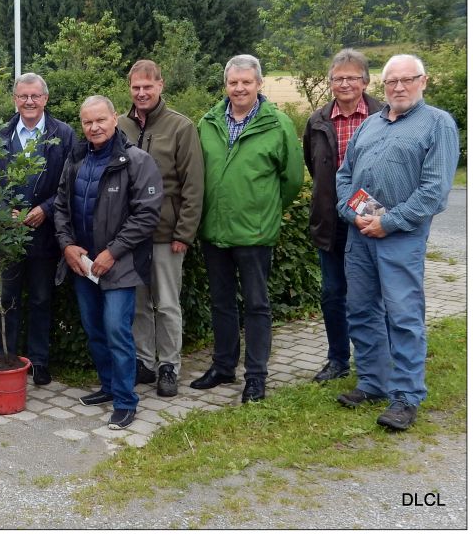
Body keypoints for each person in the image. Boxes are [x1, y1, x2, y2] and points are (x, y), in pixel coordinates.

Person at [335, 54, 459, 431]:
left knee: (403, 316)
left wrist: (388, 223)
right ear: (383, 86)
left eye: (407, 80)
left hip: (401, 237)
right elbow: (345, 176)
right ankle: (373, 382)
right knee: (361, 310)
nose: (399, 87)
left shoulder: (437, 124)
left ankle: (406, 396)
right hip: (361, 234)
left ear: (424, 81)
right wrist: (354, 213)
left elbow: (434, 191)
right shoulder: (370, 124)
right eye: (392, 81)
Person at [192, 54, 303, 403]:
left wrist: (265, 211)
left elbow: (292, 180)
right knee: (221, 303)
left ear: (259, 83)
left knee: (256, 305)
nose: (239, 88)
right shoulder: (208, 121)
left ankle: (256, 376)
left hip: (255, 233)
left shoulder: (278, 124)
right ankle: (223, 366)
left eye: (246, 82)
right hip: (215, 230)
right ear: (225, 85)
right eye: (233, 82)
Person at [53, 96, 162, 430]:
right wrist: (67, 246)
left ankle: (126, 401)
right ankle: (109, 386)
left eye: (100, 120)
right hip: (83, 264)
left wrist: (113, 252)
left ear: (115, 119)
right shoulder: (75, 158)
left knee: (116, 329)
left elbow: (147, 215)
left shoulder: (136, 160)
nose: (94, 127)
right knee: (94, 329)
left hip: (120, 264)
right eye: (88, 122)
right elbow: (61, 207)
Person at [117, 60, 204, 398]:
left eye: (147, 87)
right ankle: (144, 362)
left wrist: (184, 233)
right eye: (136, 87)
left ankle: (169, 365)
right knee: (139, 304)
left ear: (160, 86)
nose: (141, 93)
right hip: (130, 236)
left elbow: (193, 185)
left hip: (167, 234)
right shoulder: (120, 125)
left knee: (166, 304)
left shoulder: (180, 126)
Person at [302, 50, 383, 383]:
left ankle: (378, 359)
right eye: (338, 78)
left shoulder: (383, 115)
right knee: (333, 293)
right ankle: (337, 360)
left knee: (373, 294)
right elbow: (314, 166)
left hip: (372, 215)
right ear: (331, 82)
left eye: (352, 77)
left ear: (365, 81)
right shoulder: (317, 120)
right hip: (331, 218)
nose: (345, 83)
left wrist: (374, 214)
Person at [0, 73, 75, 386]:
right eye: (23, 96)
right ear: (14, 99)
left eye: (35, 96)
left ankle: (39, 361)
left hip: (45, 234)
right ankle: (7, 357)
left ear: (45, 99)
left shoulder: (64, 134)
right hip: (8, 234)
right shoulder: (0, 135)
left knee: (41, 299)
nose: (29, 101)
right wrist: (4, 209)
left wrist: (47, 208)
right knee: (8, 298)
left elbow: (70, 182)